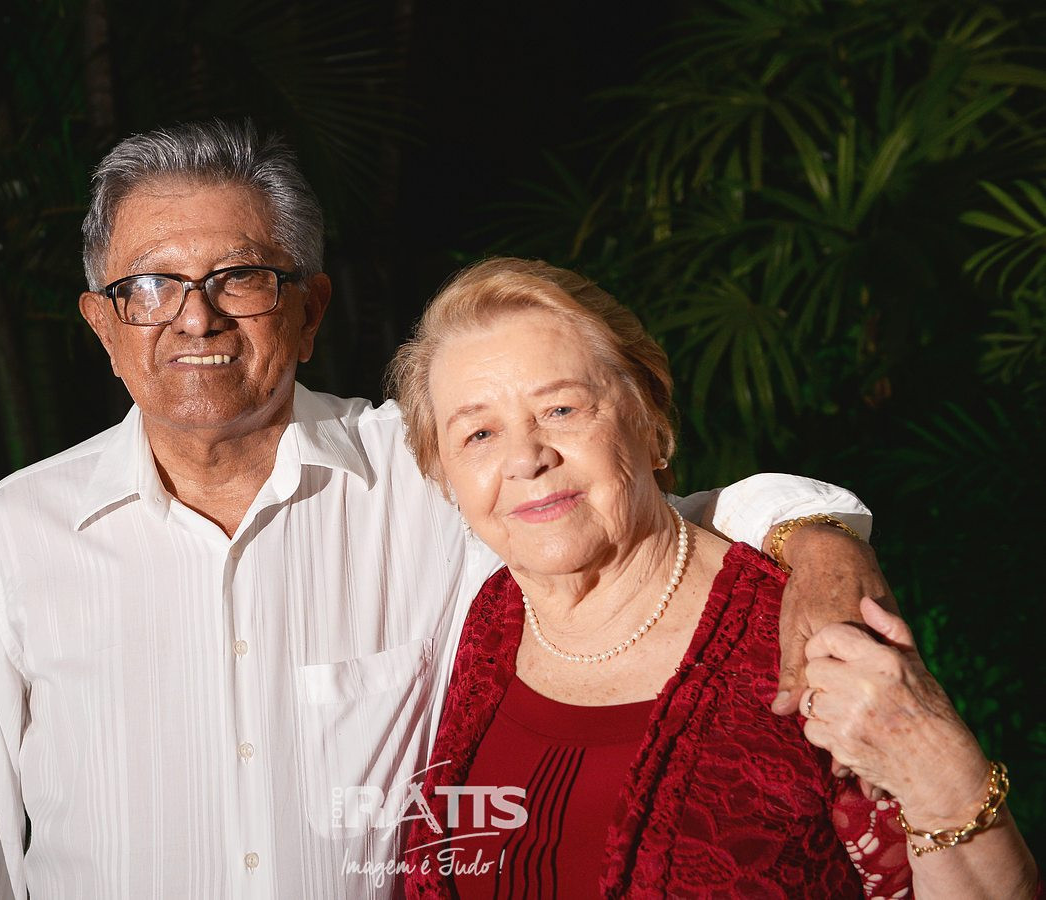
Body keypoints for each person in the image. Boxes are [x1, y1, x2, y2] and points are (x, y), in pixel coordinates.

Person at [0, 120, 892, 899]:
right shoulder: (21, 531)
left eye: (240, 278)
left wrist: (817, 541)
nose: (196, 317)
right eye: (150, 287)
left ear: (309, 310)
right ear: (104, 322)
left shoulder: (425, 469)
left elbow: (628, 511)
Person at [388, 258, 1039, 898]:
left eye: (561, 409)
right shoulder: (491, 617)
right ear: (443, 477)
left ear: (651, 425)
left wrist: (942, 774)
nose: (525, 458)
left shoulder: (800, 634)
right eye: (479, 434)